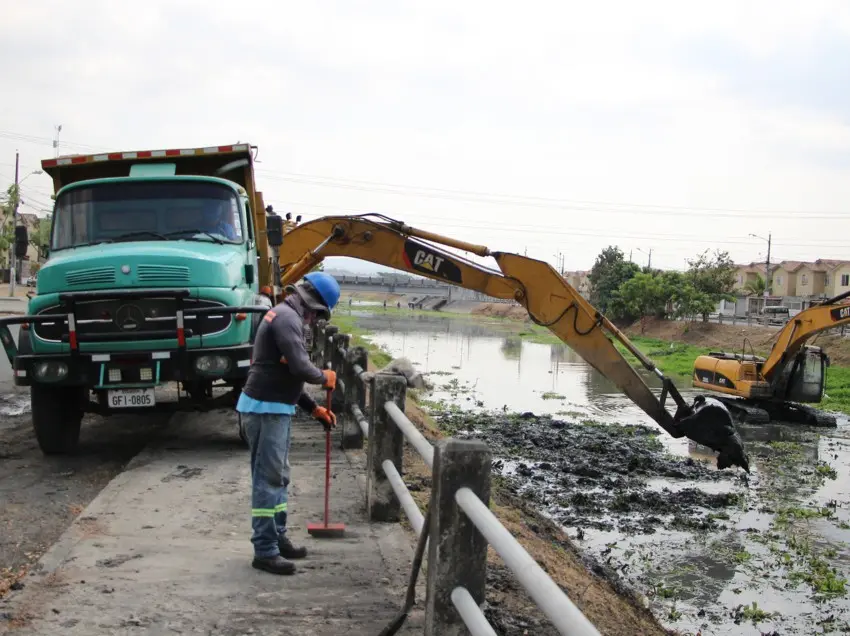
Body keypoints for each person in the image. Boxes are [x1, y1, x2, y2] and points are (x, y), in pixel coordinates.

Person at [237, 271, 341, 575]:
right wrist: (324, 377)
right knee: (268, 479)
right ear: (313, 304)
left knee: (279, 477)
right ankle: (265, 550)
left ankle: (278, 537)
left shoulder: (286, 316)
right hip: (265, 409)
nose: (314, 321)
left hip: (276, 407)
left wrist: (313, 408)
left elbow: (287, 373)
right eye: (317, 315)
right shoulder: (286, 319)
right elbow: (300, 367)